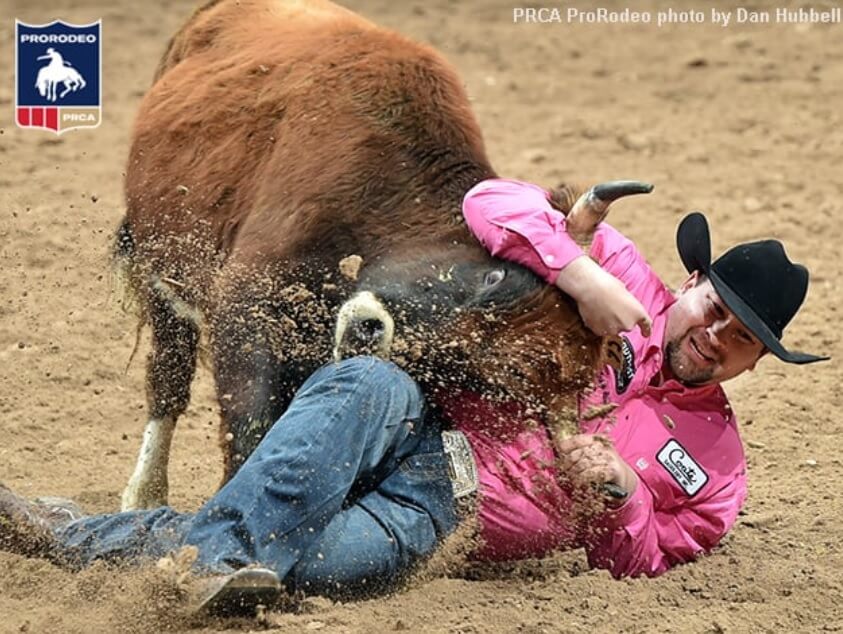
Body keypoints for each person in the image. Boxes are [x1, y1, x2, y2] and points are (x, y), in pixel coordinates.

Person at [0, 178, 827, 616]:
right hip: (405, 408)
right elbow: (486, 201)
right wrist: (577, 273)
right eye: (714, 308)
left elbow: (650, 559)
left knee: (287, 566)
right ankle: (200, 549)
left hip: (446, 511)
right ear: (691, 280)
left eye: (741, 337)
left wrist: (616, 496)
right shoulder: (615, 265)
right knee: (365, 381)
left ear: (755, 362)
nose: (716, 335)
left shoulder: (716, 469)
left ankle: (73, 532)